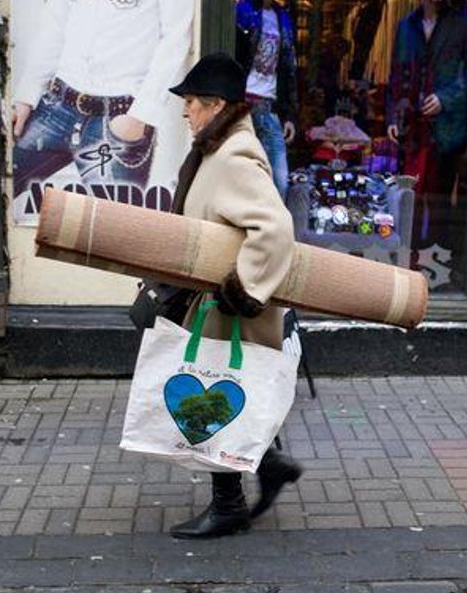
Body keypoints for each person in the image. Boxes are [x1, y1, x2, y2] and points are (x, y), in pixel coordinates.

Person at [165, 53, 304, 539]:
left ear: (215, 104)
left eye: (190, 103)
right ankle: (269, 464)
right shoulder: (216, 150)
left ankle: (228, 506)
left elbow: (275, 228)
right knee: (220, 397)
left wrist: (239, 292)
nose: (185, 112)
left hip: (229, 313)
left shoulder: (233, 156)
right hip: (214, 308)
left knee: (209, 404)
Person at [11, 0, 194, 210]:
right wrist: (27, 95)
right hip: (57, 105)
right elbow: (55, 23)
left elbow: (175, 37)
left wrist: (141, 115)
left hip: (117, 117)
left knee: (109, 230)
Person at [386, 0, 467, 272]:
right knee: (408, 197)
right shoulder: (407, 26)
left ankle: (438, 266)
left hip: (447, 129)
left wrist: (445, 99)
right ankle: (407, 260)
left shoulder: (463, 26)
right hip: (412, 129)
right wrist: (393, 115)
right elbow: (396, 74)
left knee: (438, 200)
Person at [235, 0, 299, 199]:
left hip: (269, 106)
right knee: (240, 175)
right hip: (242, 104)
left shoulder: (284, 19)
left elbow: (288, 70)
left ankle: (271, 227)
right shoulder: (244, 10)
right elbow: (234, 56)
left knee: (279, 178)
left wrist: (289, 115)